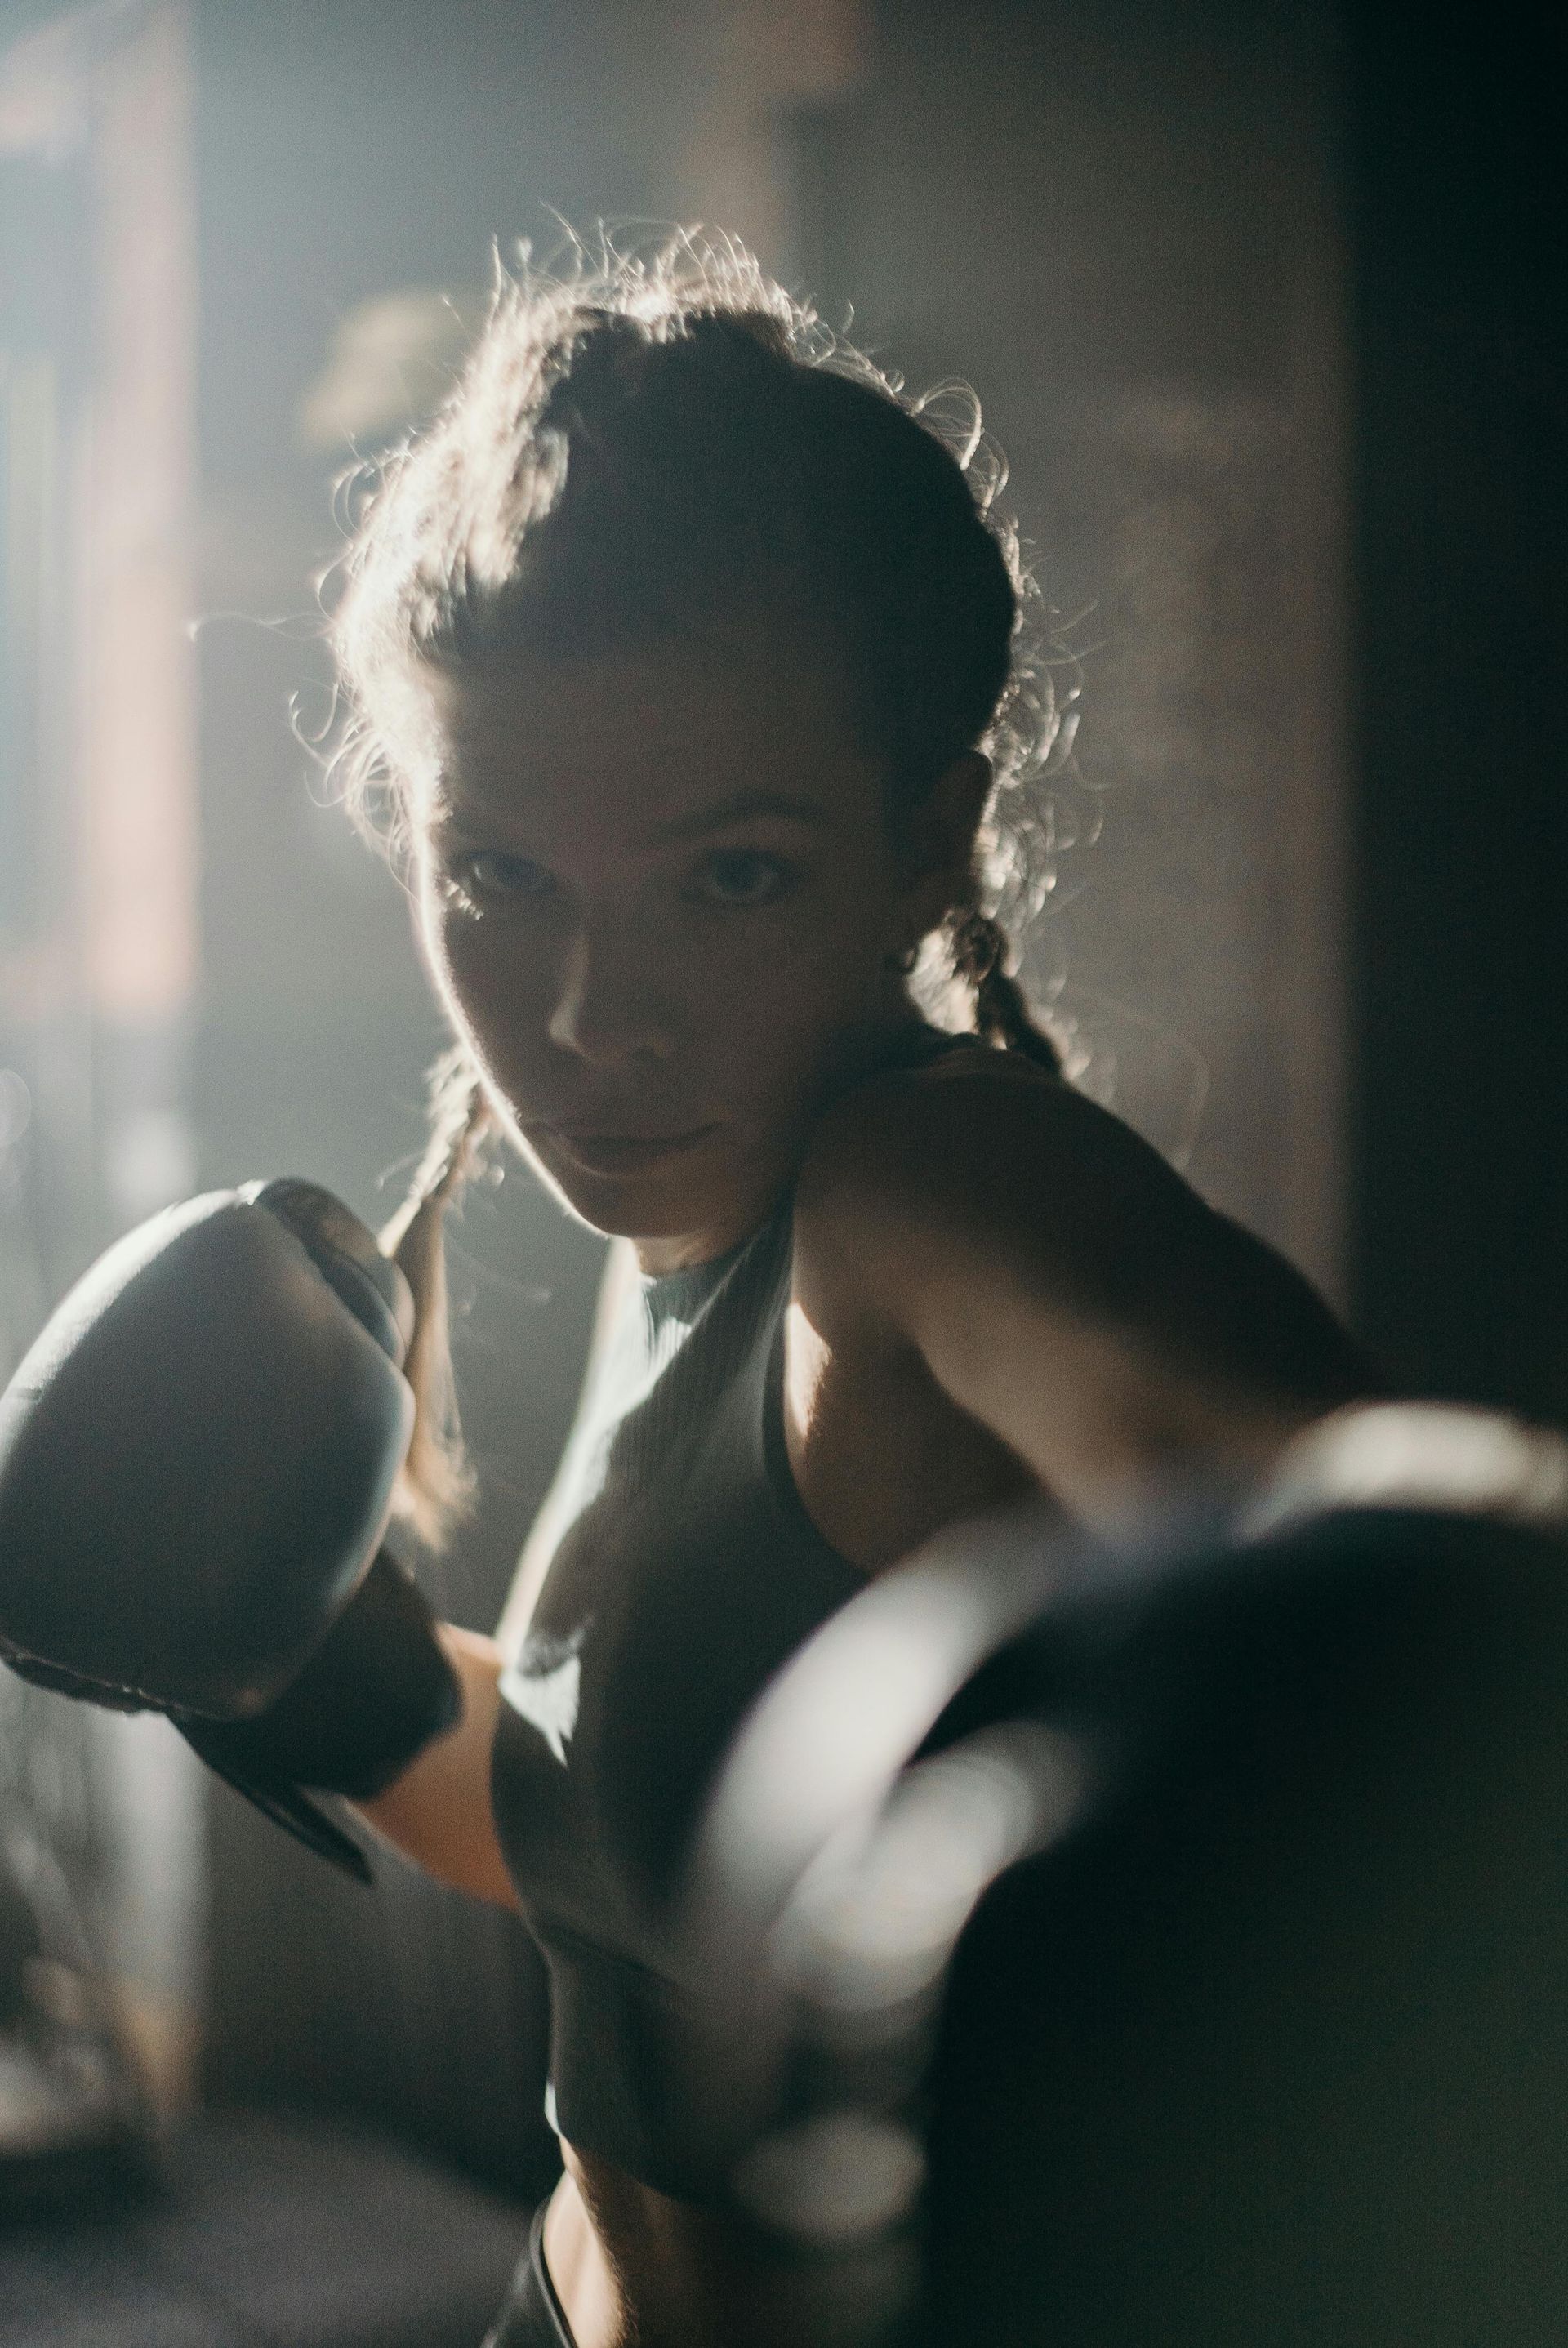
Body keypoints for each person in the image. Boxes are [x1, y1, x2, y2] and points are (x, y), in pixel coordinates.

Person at [323, 233, 1378, 2348]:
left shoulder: (926, 1194)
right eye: (498, 875)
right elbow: (621, 1850)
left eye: (732, 875)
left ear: (927, 843)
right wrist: (305, 1676)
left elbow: (1425, 1585)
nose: (593, 1020)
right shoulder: (699, 1209)